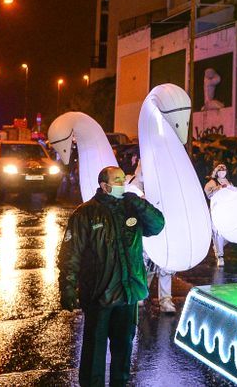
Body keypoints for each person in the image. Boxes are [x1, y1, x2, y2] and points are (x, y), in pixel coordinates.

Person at [58, 166, 165, 387]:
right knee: (94, 352)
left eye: (123, 179)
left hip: (128, 293)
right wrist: (67, 287)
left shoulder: (131, 208)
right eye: (117, 180)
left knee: (123, 348)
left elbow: (157, 225)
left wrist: (139, 204)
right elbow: (71, 253)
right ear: (105, 186)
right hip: (99, 294)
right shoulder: (85, 213)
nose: (122, 183)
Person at [203, 163, 231, 266]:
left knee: (226, 234)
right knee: (218, 232)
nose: (222, 172)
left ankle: (217, 246)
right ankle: (220, 256)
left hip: (226, 211)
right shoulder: (212, 182)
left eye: (224, 170)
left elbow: (234, 191)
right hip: (216, 211)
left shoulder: (229, 182)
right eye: (220, 170)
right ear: (216, 172)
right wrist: (218, 188)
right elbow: (208, 194)